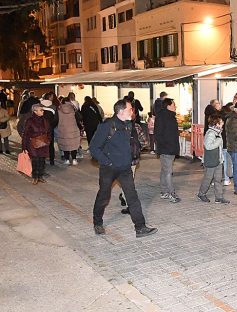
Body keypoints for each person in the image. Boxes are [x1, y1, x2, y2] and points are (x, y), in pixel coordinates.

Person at [89, 99, 157, 237]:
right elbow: (93, 148)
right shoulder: (107, 125)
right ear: (121, 111)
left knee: (132, 197)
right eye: (130, 109)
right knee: (104, 196)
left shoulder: (128, 125)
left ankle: (140, 227)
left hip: (125, 168)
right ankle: (98, 222)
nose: (132, 111)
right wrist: (107, 162)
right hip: (109, 168)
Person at [196, 114, 230, 204]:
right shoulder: (211, 133)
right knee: (208, 178)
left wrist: (221, 158)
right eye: (221, 121)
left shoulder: (217, 132)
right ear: (217, 123)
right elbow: (208, 146)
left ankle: (219, 197)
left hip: (218, 160)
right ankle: (201, 194)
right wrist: (218, 141)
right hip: (211, 160)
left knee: (218, 179)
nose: (223, 123)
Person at [154, 98, 181, 203]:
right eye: (174, 104)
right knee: (168, 171)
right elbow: (158, 134)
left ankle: (164, 191)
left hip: (170, 148)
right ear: (168, 106)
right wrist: (165, 146)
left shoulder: (170, 116)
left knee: (164, 170)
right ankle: (171, 193)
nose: (175, 106)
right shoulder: (162, 117)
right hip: (166, 149)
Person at [22, 104, 51, 185]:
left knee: (42, 160)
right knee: (35, 160)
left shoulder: (45, 120)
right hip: (33, 144)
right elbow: (25, 134)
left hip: (43, 143)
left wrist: (49, 140)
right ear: (35, 111)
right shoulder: (30, 120)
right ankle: (35, 177)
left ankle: (40, 176)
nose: (43, 111)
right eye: (41, 110)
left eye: (43, 110)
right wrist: (24, 146)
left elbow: (49, 131)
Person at [57, 98, 81, 165]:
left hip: (63, 129)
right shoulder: (73, 109)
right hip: (73, 129)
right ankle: (74, 159)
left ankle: (67, 159)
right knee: (73, 145)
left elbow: (56, 120)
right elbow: (79, 118)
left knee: (65, 145)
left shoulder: (59, 110)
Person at [41, 93, 59, 165]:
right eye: (52, 97)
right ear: (49, 97)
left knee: (42, 144)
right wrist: (52, 126)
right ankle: (52, 160)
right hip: (50, 128)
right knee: (50, 144)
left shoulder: (39, 106)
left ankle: (42, 159)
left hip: (40, 128)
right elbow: (56, 119)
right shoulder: (53, 107)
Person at [221, 102, 234, 186]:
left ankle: (216, 180)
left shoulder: (220, 118)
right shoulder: (230, 119)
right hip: (227, 143)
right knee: (227, 162)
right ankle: (226, 179)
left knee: (220, 162)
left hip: (220, 143)